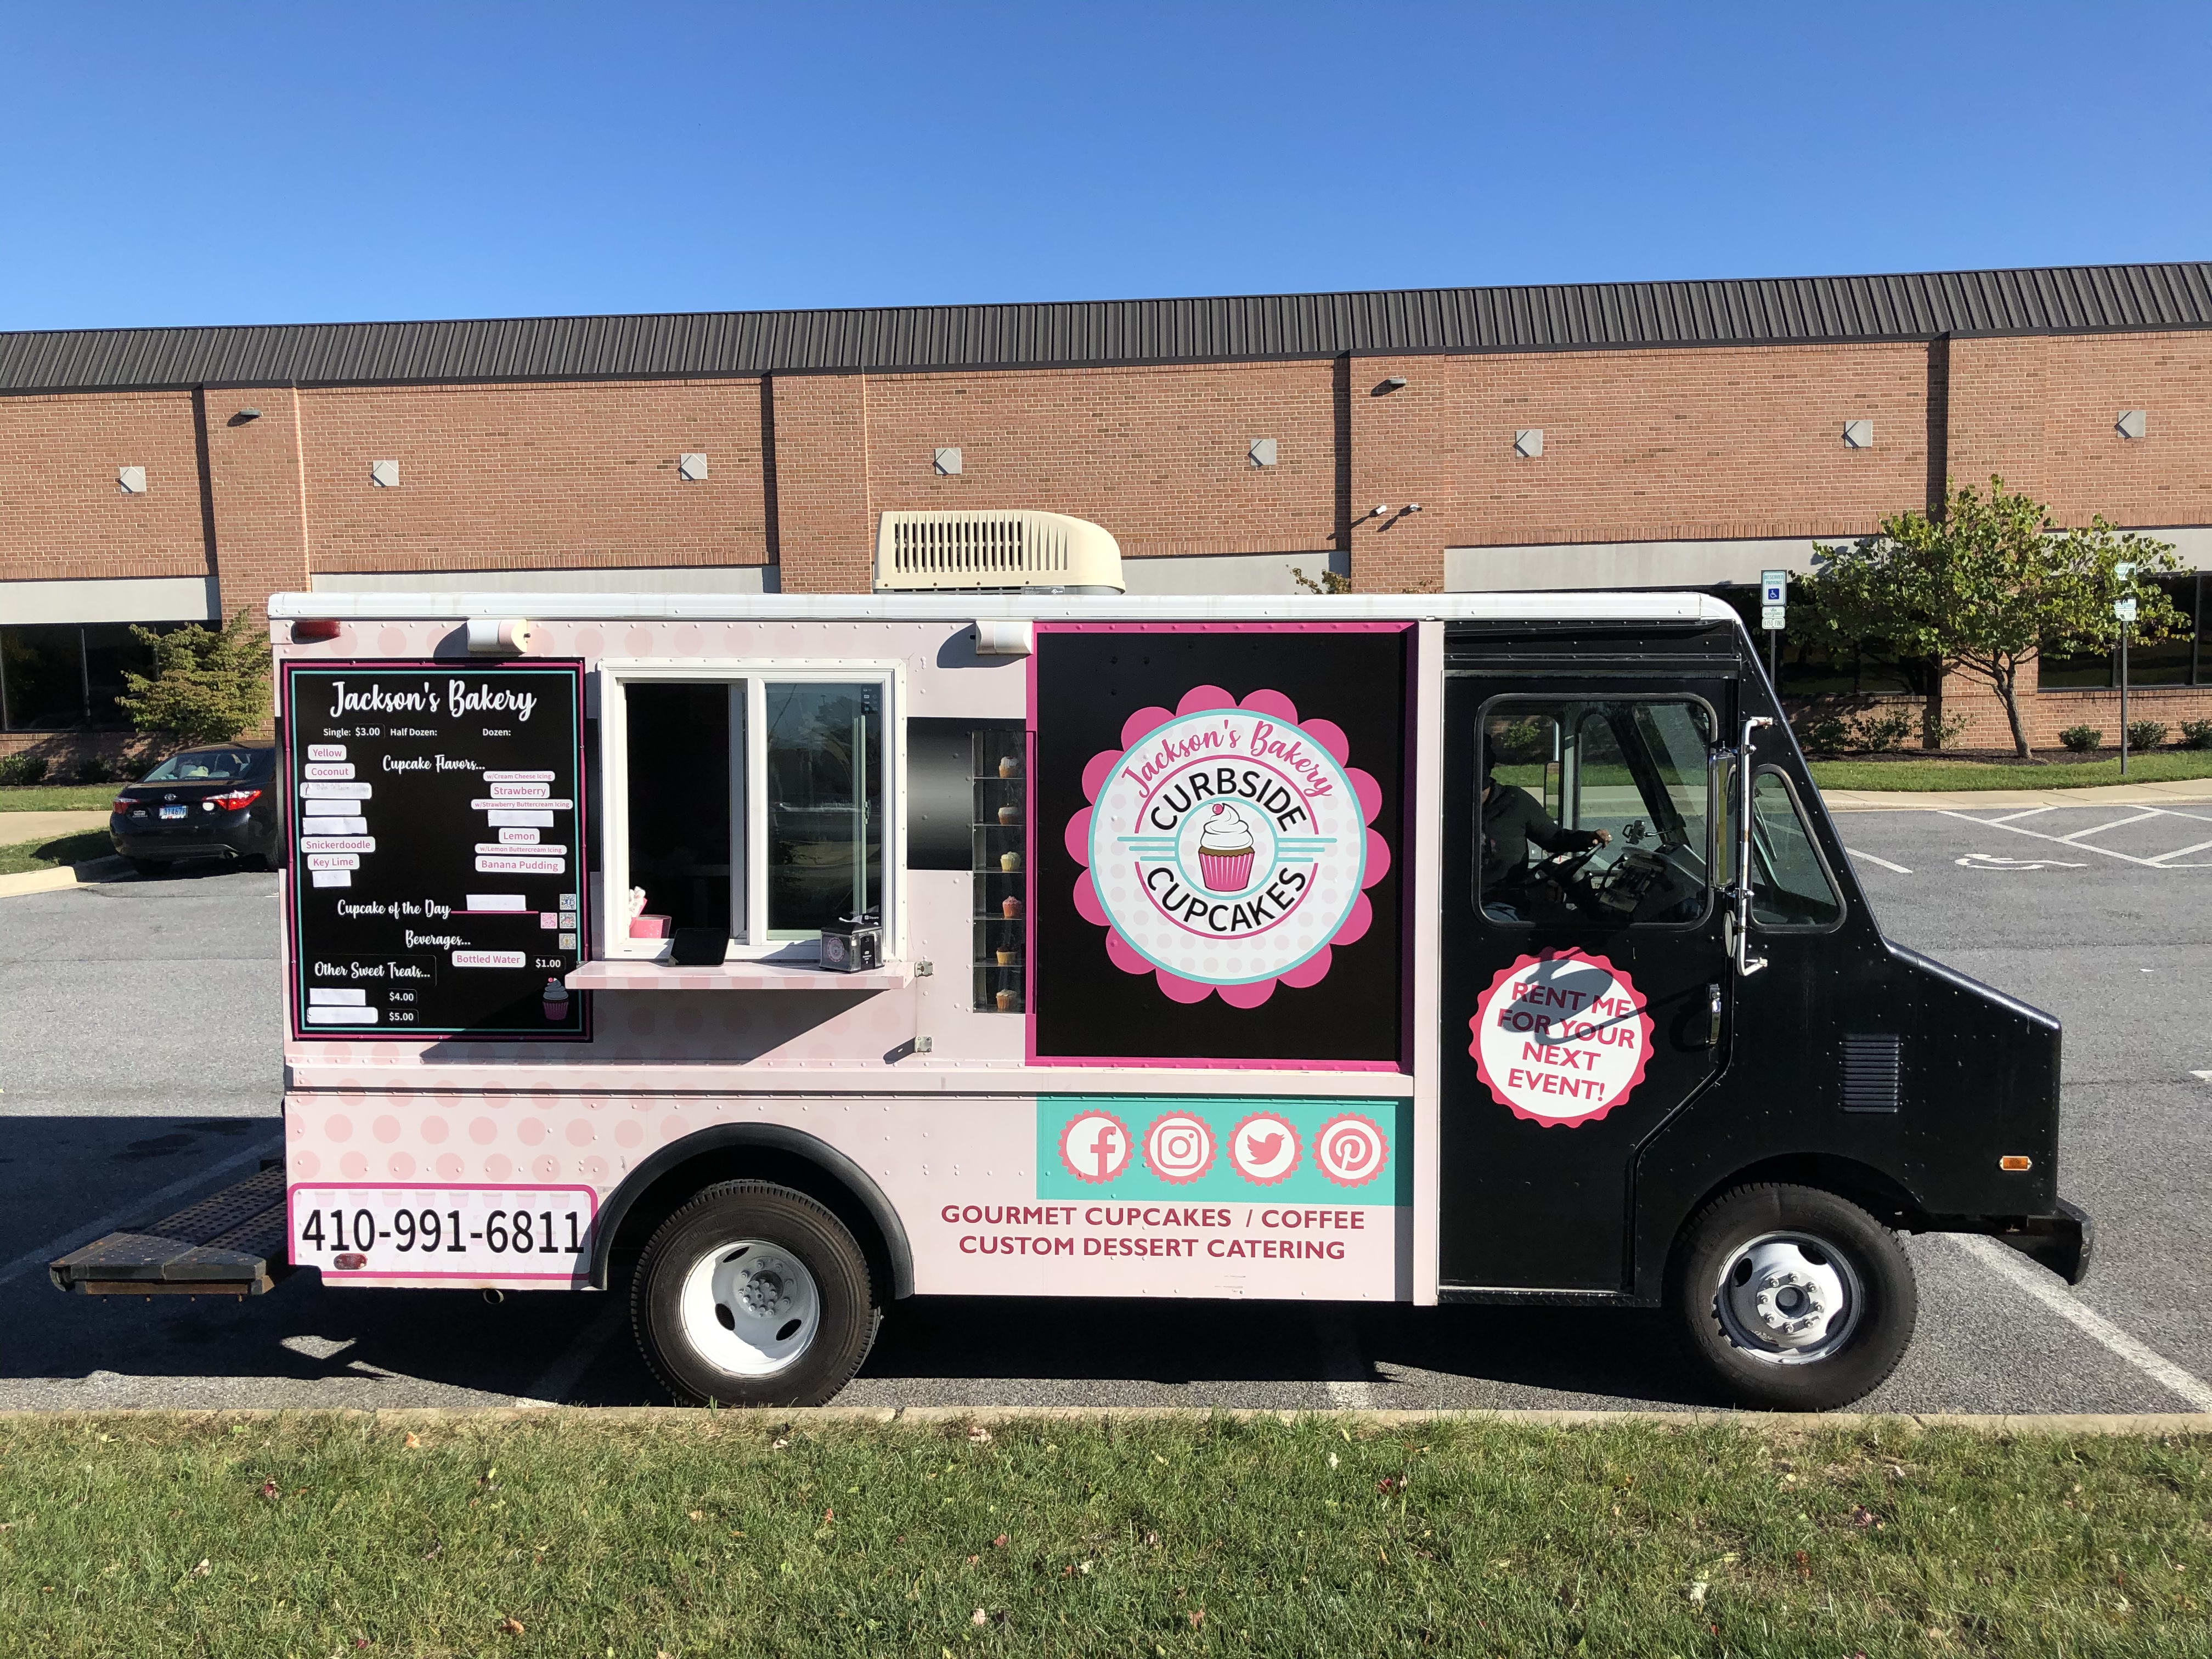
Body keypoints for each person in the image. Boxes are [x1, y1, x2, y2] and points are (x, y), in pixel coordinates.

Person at [1481, 760, 1610, 919]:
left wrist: (1588, 838)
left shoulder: (1514, 802)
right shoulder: (1446, 805)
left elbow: (1554, 839)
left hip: (1504, 902)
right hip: (1468, 903)